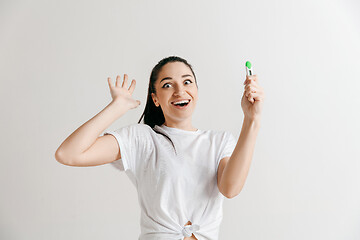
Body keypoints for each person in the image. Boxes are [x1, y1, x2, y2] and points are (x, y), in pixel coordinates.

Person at [55, 56, 265, 240]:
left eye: (187, 82)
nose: (179, 90)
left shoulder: (218, 142)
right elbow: (68, 154)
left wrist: (251, 120)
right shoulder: (142, 139)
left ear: (197, 91)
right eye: (167, 85)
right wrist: (116, 108)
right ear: (155, 98)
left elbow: (230, 188)